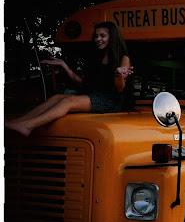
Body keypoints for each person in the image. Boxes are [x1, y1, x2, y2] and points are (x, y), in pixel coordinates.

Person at [6, 21, 134, 137]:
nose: (98, 39)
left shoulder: (123, 58)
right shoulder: (96, 59)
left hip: (110, 101)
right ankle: (18, 122)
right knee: (57, 98)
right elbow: (81, 83)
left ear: (112, 37)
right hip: (93, 96)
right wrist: (63, 65)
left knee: (69, 101)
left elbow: (120, 88)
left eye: (102, 36)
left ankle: (28, 126)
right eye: (96, 36)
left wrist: (117, 74)